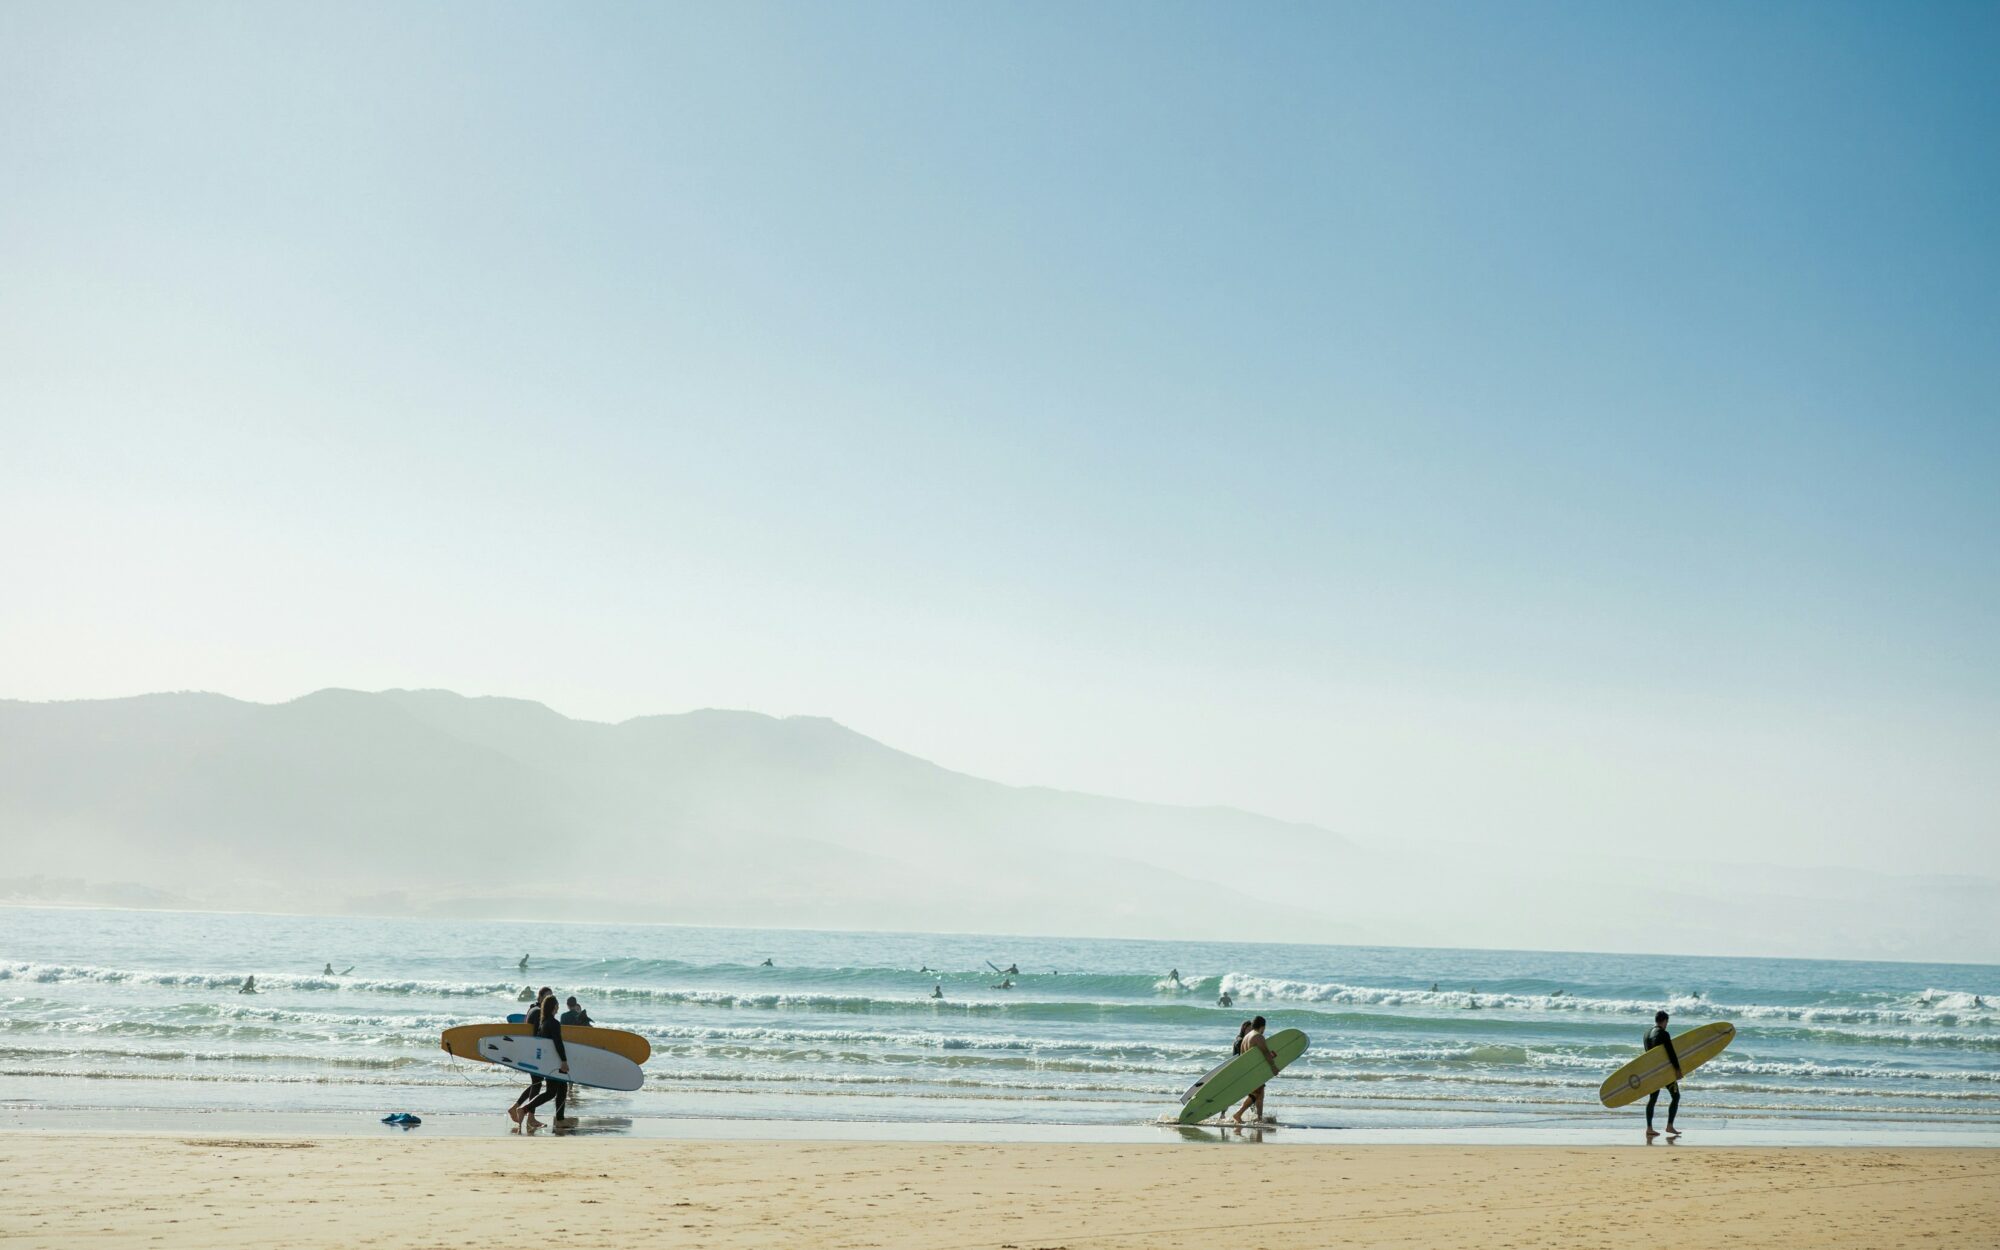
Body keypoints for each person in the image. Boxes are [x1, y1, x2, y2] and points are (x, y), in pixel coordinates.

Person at [513, 999, 572, 1126]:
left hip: (547, 1062)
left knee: (562, 1087)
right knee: (551, 1092)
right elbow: (557, 1042)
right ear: (554, 1007)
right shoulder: (554, 1023)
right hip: (555, 1062)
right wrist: (563, 1060)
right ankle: (524, 1109)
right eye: (557, 1005)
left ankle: (559, 1119)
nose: (558, 1007)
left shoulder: (543, 1023)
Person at [1233, 1016, 1279, 1124]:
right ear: (1262, 1026)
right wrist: (1273, 1066)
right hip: (1254, 1071)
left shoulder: (1246, 1037)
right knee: (1256, 1093)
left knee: (1260, 1094)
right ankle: (1238, 1114)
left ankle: (1259, 1117)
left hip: (1248, 1069)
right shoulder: (1258, 1036)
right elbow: (1265, 1053)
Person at [1644, 1010, 1683, 1139]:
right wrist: (1677, 1069)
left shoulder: (1647, 1033)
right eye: (1667, 1022)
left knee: (1653, 1099)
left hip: (1652, 1072)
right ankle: (1669, 1126)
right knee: (1676, 1096)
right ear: (1665, 1021)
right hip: (1664, 1072)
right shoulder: (1664, 1034)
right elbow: (1671, 1053)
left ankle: (1649, 1128)